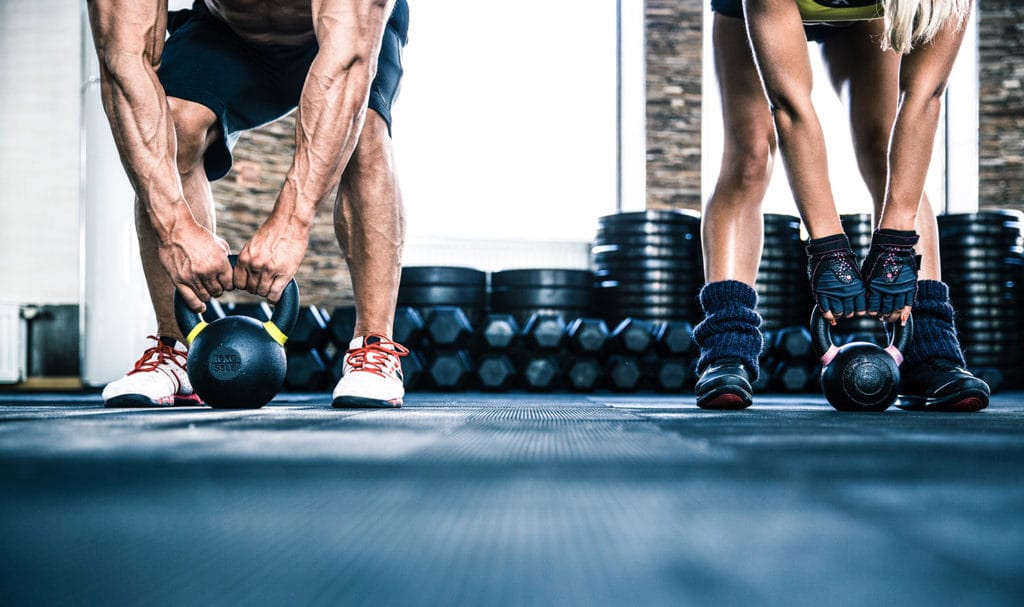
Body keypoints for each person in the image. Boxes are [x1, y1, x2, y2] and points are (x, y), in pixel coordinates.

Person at [89, 0, 411, 409]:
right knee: (173, 124)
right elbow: (123, 65)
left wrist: (292, 222)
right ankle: (177, 348)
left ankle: (375, 347)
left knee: (365, 132)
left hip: (346, 35)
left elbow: (348, 62)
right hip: (230, 31)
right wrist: (174, 228)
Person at [694, 0, 990, 411]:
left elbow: (925, 96)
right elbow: (791, 107)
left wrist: (896, 243)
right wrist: (829, 249)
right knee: (750, 157)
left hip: (868, 16)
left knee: (883, 145)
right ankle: (727, 347)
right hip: (762, 10)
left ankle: (929, 346)